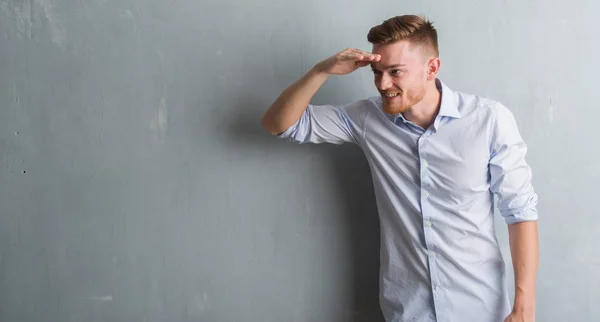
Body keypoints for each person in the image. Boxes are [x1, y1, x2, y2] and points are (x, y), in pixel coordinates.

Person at [260, 14, 539, 322]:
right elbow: (278, 124)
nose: (383, 84)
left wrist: (523, 306)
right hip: (408, 311)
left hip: (481, 309)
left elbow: (521, 212)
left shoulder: (489, 120)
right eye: (377, 72)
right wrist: (321, 70)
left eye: (395, 72)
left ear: (431, 68)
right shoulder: (367, 119)